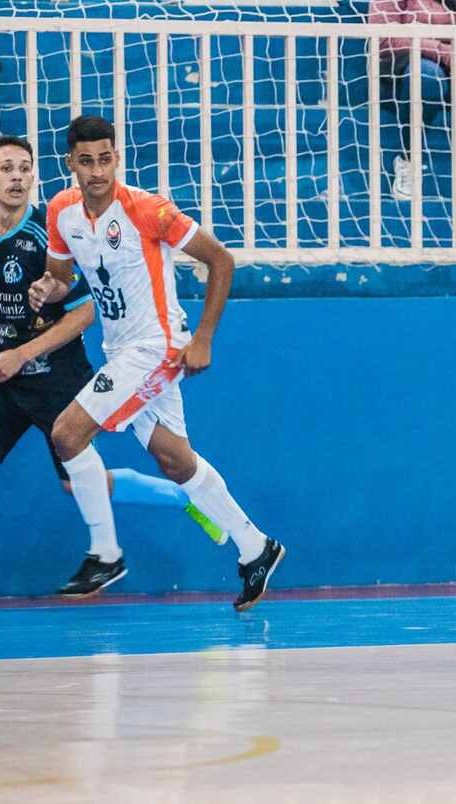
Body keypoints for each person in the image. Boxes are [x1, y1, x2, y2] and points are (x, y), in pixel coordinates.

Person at [0, 135, 225, 611]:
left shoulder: (51, 236)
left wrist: (23, 354)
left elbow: (84, 313)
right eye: (6, 169)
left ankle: (182, 497)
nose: (17, 177)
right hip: (2, 371)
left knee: (78, 482)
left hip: (55, 374)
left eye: (25, 168)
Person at [29, 115, 284, 611]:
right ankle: (256, 547)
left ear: (117, 158)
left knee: (66, 434)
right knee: (174, 459)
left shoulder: (149, 210)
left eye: (106, 159)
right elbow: (59, 277)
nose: (97, 171)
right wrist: (48, 288)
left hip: (156, 346)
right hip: (118, 348)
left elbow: (221, 260)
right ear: (70, 164)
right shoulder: (61, 211)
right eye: (86, 161)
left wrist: (204, 338)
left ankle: (104, 553)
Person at [368, 0, 456, 201]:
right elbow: (386, 39)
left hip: (455, 61)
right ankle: (408, 161)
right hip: (406, 60)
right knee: (426, 75)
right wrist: (445, 53)